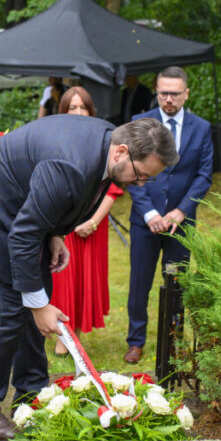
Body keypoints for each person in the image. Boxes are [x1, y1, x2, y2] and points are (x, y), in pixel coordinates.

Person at [0, 115, 177, 441]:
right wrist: (38, 305)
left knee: (39, 290)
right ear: (121, 151)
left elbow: (55, 206)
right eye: (141, 175)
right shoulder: (71, 163)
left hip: (19, 205)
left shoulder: (104, 146)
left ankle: (30, 394)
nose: (140, 184)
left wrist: (55, 234)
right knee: (13, 302)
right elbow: (23, 236)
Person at [124, 66, 213, 364]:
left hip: (181, 223)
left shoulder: (201, 128)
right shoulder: (139, 123)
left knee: (177, 283)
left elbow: (203, 176)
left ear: (186, 93)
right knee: (140, 283)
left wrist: (181, 211)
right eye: (163, 93)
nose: (168, 99)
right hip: (144, 221)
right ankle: (135, 341)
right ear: (157, 92)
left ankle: (174, 339)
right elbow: (130, 173)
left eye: (175, 93)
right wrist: (149, 213)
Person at [49, 87, 124, 355]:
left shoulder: (106, 139)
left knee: (84, 279)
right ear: (64, 111)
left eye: (83, 107)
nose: (78, 112)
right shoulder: (55, 137)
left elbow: (114, 187)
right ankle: (62, 333)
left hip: (93, 223)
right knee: (64, 278)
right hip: (63, 221)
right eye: (73, 107)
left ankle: (75, 332)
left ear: (91, 111)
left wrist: (92, 221)